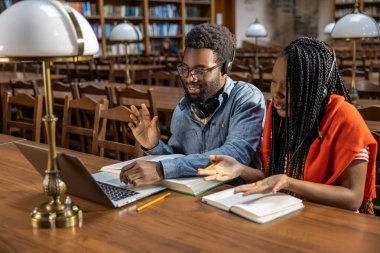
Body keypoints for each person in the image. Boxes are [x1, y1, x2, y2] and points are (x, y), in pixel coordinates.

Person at [198, 37, 377, 214]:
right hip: (288, 211)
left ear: (314, 88)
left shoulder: (345, 118)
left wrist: (289, 182)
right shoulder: (279, 117)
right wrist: (241, 169)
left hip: (331, 222)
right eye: (273, 83)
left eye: (288, 86)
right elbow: (276, 178)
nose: (276, 94)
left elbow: (353, 198)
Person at [120, 23, 266, 186]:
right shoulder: (182, 108)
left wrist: (161, 169)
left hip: (234, 196)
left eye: (200, 70)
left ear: (225, 69)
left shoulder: (246, 97)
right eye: (185, 69)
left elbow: (235, 155)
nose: (190, 78)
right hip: (194, 197)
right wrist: (154, 146)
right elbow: (179, 158)